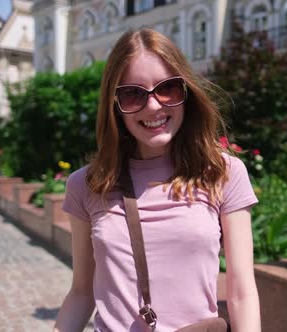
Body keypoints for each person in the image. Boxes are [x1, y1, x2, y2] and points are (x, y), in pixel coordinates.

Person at [54, 28, 261, 332]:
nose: (153, 106)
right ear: (116, 106)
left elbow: (242, 292)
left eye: (168, 89)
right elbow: (82, 293)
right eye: (132, 93)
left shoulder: (223, 173)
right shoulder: (86, 185)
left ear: (186, 92)